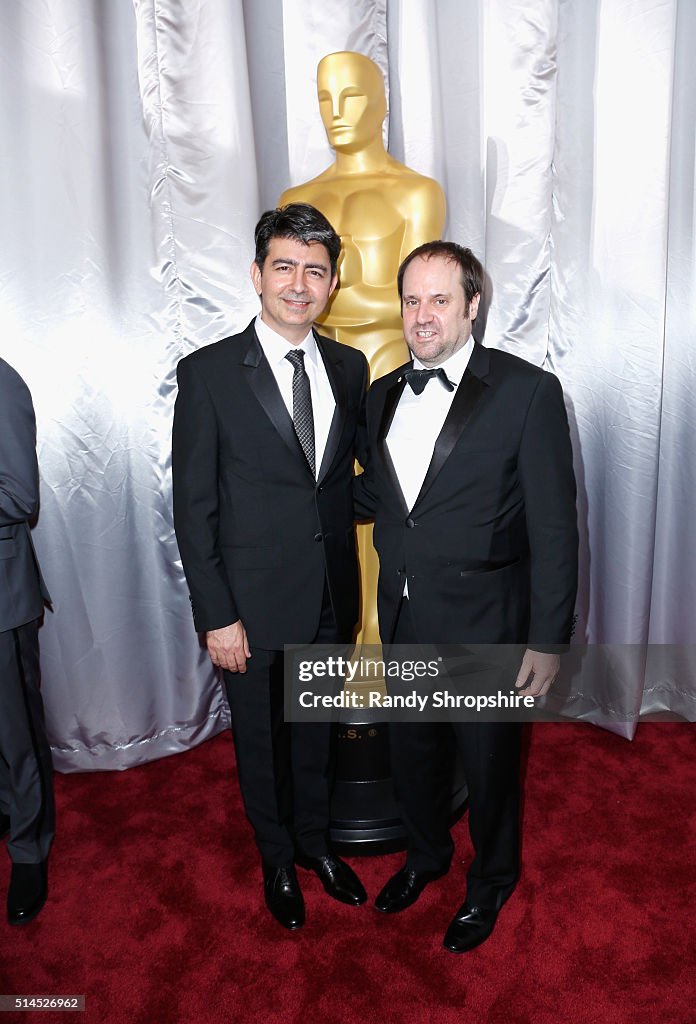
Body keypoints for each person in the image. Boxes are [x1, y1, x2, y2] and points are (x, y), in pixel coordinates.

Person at [354, 241, 578, 952]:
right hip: (406, 613)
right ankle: (426, 857)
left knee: (489, 767)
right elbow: (382, 498)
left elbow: (555, 527)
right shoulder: (381, 392)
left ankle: (492, 881)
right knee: (414, 754)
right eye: (412, 299)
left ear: (473, 305)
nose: (422, 315)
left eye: (439, 299)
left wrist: (547, 639)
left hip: (489, 623)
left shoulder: (527, 392)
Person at [172, 203, 369, 930]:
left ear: (333, 283)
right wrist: (215, 613)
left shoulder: (350, 368)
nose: (298, 283)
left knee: (315, 733)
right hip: (248, 610)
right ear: (257, 275)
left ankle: (316, 845)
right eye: (284, 266)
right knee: (261, 741)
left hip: (327, 597)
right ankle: (277, 859)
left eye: (314, 270)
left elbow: (344, 481)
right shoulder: (209, 373)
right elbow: (193, 509)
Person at [280, 49, 446, 646]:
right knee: (324, 501)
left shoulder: (415, 191)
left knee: (390, 497)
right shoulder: (296, 197)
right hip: (314, 368)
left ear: (380, 102)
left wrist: (323, 301)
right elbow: (290, 297)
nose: (337, 112)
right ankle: (338, 628)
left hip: (387, 364)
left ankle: (379, 631)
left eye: (351, 97)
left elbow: (423, 298)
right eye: (325, 98)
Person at [0, 357, 54, 926]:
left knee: (18, 739)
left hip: (2, 601)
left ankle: (31, 850)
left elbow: (18, 497)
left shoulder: (2, 382)